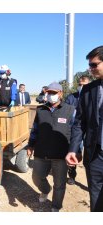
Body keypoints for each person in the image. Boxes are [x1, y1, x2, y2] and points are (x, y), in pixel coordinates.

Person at [27, 82, 75, 212]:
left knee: (59, 183)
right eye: (48, 92)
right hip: (41, 152)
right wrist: (31, 145)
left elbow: (76, 132)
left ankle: (56, 206)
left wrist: (75, 150)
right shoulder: (41, 110)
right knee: (37, 177)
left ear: (60, 94)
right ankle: (45, 190)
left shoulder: (70, 110)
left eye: (53, 93)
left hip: (61, 154)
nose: (50, 95)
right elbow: (35, 130)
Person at [66, 46, 103, 212]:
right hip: (95, 156)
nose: (91, 69)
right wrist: (74, 149)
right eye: (90, 65)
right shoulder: (88, 90)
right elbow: (80, 123)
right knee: (96, 199)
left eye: (94, 65)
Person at [65, 75, 90, 185]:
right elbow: (65, 113)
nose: (81, 87)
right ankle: (72, 175)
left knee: (90, 155)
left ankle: (91, 177)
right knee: (75, 151)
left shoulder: (93, 97)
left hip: (90, 131)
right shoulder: (71, 97)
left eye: (84, 85)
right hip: (75, 130)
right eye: (80, 84)